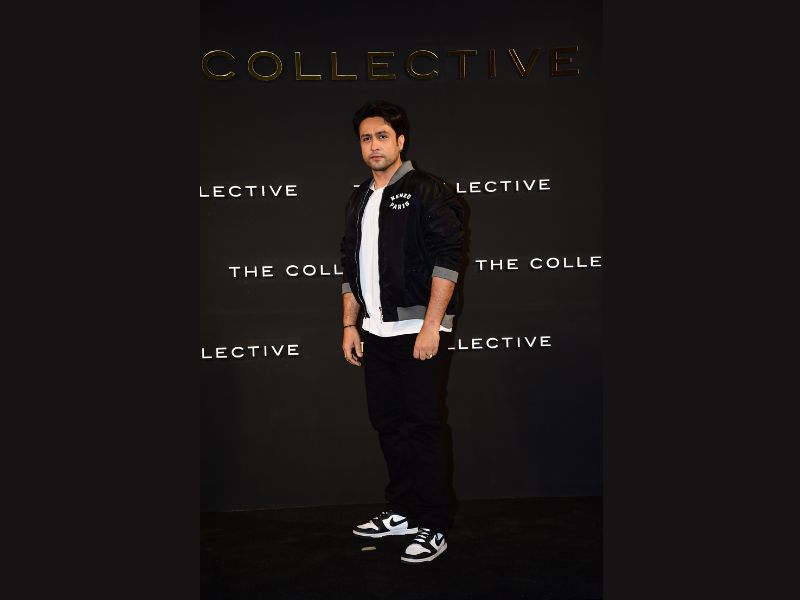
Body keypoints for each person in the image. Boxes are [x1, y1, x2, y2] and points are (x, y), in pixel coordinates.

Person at [339, 100, 465, 564]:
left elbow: (448, 260)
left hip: (418, 331)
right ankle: (404, 511)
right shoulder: (359, 197)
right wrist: (349, 323)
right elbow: (349, 264)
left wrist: (431, 326)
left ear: (400, 141)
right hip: (374, 331)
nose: (374, 145)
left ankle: (433, 523)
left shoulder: (430, 191)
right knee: (389, 425)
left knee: (424, 427)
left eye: (382, 136)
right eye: (366, 138)